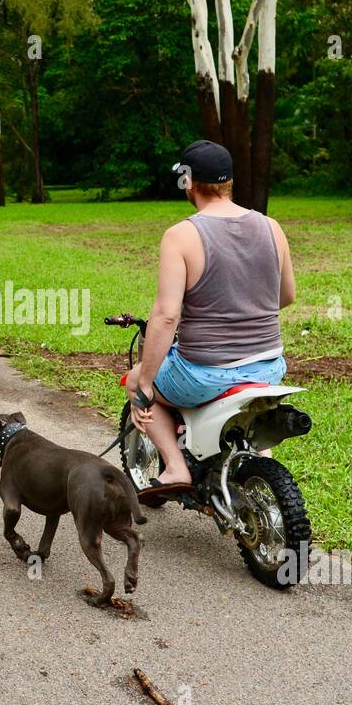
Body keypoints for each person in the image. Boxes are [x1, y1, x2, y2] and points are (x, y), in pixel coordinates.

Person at [125, 139, 296, 492]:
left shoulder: (181, 236)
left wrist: (145, 380)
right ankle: (259, 462)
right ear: (229, 181)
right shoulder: (271, 227)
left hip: (204, 374)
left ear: (188, 183)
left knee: (136, 381)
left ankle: (175, 467)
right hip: (269, 367)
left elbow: (167, 316)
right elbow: (286, 296)